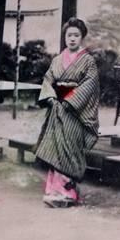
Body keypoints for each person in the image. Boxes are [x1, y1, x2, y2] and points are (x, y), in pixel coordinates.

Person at [35, 17, 100, 208]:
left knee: (70, 147)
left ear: (82, 37)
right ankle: (54, 191)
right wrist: (51, 97)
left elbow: (90, 85)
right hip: (57, 109)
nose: (72, 39)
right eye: (69, 35)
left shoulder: (88, 61)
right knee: (55, 148)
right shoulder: (57, 59)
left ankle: (69, 193)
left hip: (74, 111)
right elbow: (48, 80)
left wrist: (69, 100)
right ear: (65, 36)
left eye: (76, 35)